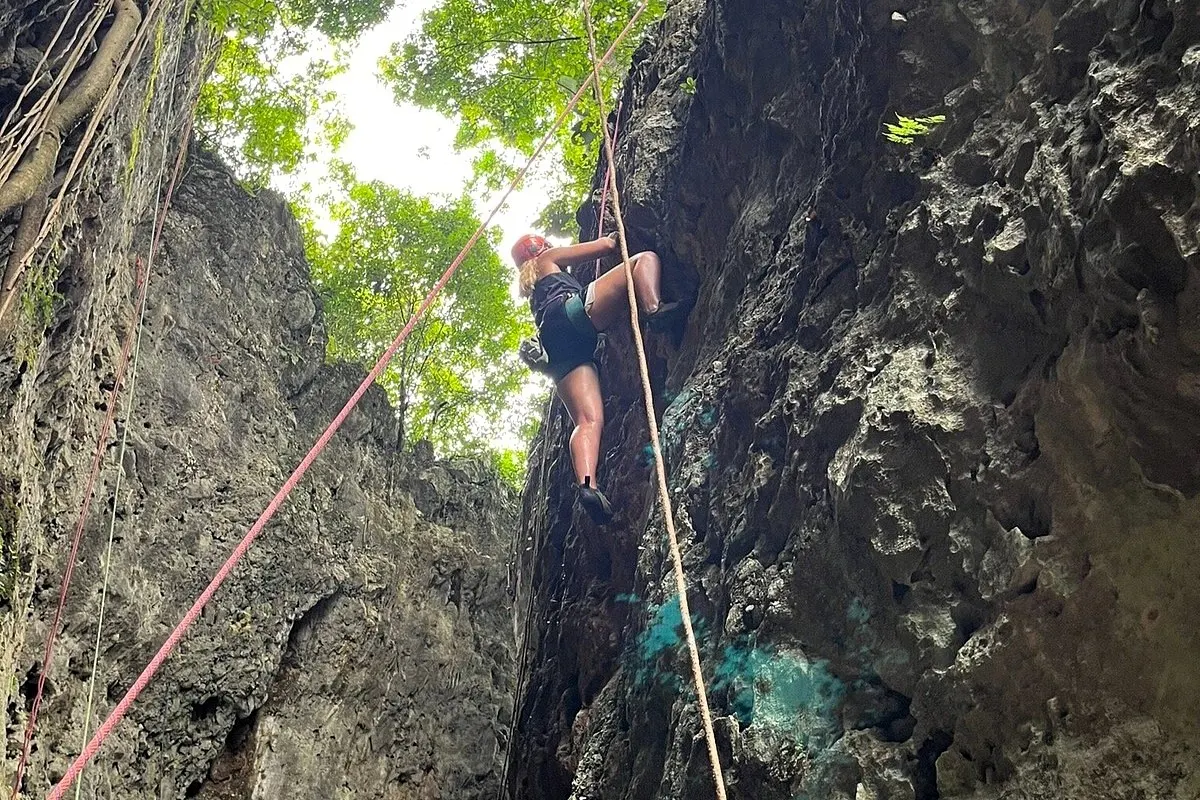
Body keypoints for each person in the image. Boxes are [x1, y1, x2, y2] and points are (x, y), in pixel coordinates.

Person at [513, 231, 685, 525]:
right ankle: (654, 309)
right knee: (643, 260)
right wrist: (611, 237)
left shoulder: (534, 290)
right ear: (540, 248)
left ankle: (588, 485)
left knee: (587, 421)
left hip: (558, 350)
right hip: (571, 315)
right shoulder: (548, 258)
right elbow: (605, 246)